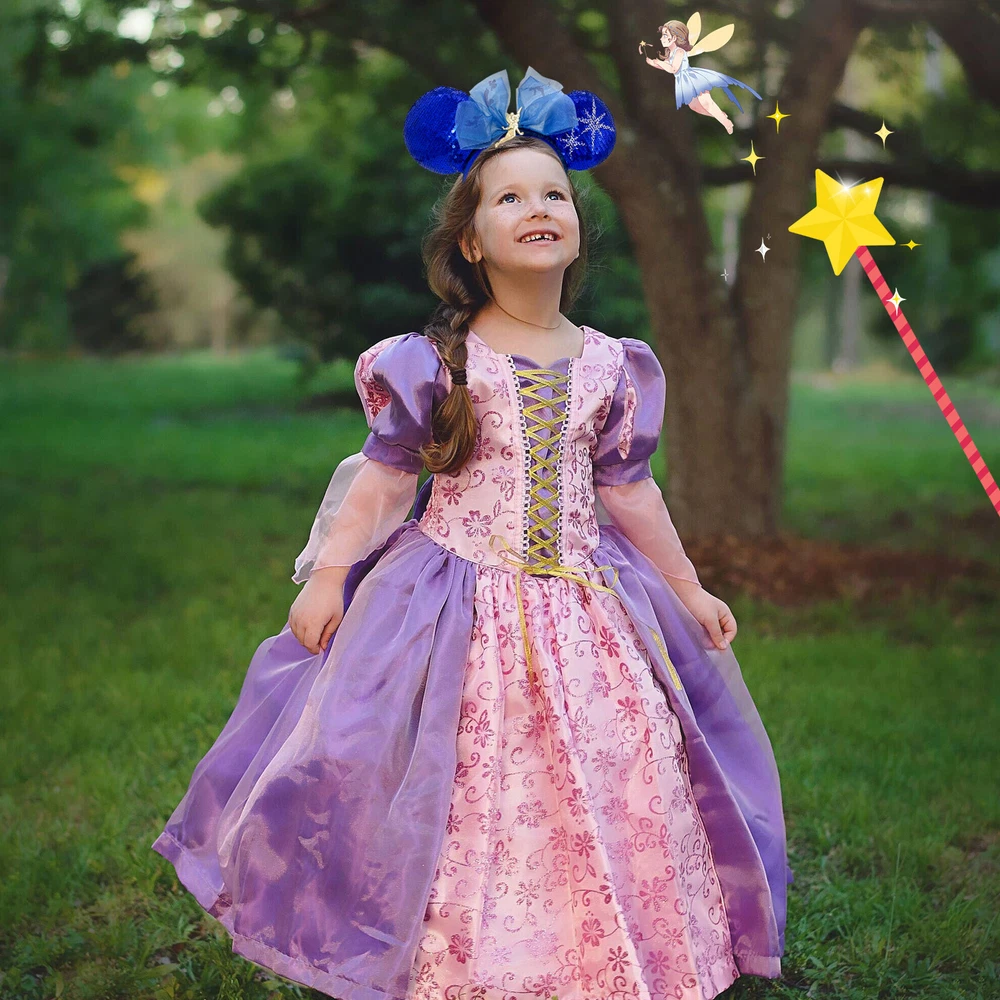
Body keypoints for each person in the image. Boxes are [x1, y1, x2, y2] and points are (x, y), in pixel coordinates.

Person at [151, 65, 792, 1000]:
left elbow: (630, 492)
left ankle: (607, 957)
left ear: (578, 226)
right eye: (510, 197)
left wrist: (688, 587)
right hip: (455, 603)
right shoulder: (438, 363)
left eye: (554, 195)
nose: (538, 209)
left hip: (588, 612)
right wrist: (329, 575)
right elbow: (382, 483)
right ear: (472, 238)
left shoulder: (613, 366)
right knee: (468, 781)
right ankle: (465, 962)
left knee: (619, 762)